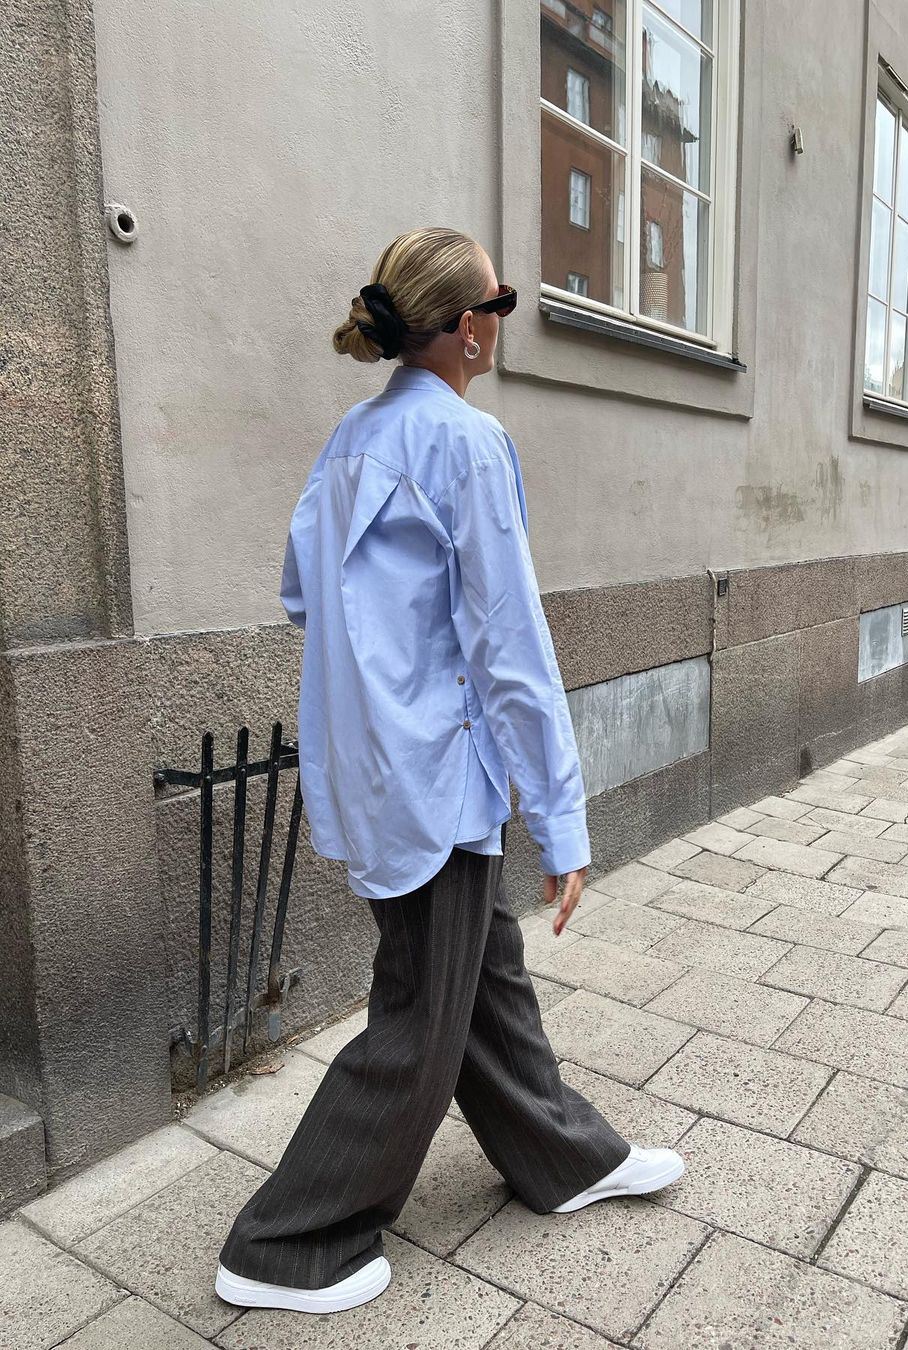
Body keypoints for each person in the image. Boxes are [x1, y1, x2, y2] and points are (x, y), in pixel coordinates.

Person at [214, 228, 685, 1315]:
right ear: (468, 327)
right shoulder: (467, 444)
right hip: (432, 766)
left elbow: (300, 591)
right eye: (501, 305)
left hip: (377, 762)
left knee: (481, 975)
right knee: (422, 1013)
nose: (502, 324)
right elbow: (510, 647)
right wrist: (561, 822)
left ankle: (564, 1158)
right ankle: (286, 1242)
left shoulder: (352, 438)